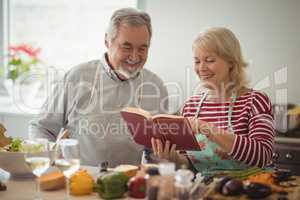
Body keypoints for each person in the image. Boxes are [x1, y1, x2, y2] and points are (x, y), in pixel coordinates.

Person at [29, 8, 169, 167]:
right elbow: (41, 127)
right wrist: (51, 157)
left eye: (142, 48)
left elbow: (158, 148)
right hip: (79, 180)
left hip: (130, 185)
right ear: (107, 41)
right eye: (127, 47)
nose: (135, 56)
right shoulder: (78, 77)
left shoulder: (156, 86)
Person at [151, 27, 274, 172]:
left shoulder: (255, 101)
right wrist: (174, 160)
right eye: (197, 61)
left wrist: (208, 129)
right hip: (207, 191)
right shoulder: (190, 107)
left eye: (209, 60)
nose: (201, 68)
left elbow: (263, 155)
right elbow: (188, 165)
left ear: (231, 62)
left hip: (250, 190)